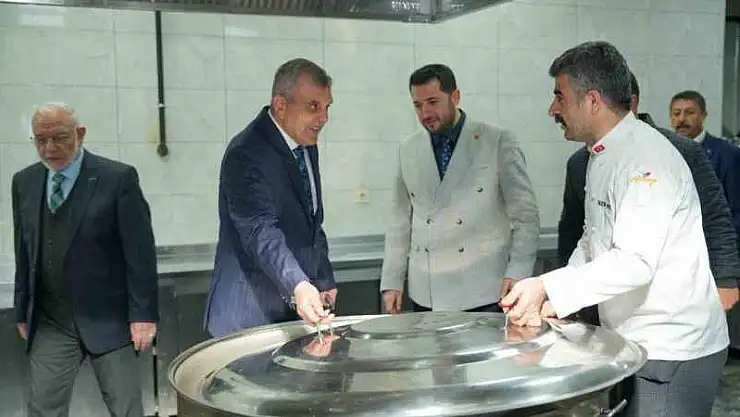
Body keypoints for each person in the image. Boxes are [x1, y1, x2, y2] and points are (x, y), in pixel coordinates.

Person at [501, 41, 729, 416]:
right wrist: (553, 300)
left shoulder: (646, 160)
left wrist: (547, 286)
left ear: (592, 100)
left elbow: (636, 262)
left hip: (672, 349)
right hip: (635, 340)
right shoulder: (603, 154)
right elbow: (594, 239)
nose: (553, 109)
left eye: (559, 97)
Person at [558, 73, 740, 327]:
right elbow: (574, 230)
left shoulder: (678, 150)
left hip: (672, 305)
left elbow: (715, 217)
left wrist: (726, 278)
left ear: (631, 103)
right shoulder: (582, 162)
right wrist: (564, 291)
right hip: (606, 295)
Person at [12, 103, 158, 417]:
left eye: (60, 138)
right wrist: (22, 308)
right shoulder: (25, 182)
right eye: (41, 140)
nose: (49, 148)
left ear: (80, 134)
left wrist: (143, 315)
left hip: (110, 320)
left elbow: (140, 253)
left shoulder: (117, 179)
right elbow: (24, 249)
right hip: (52, 321)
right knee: (42, 408)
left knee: (126, 408)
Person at [380, 63, 539, 314]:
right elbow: (399, 221)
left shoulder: (496, 141)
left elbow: (526, 217)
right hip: (427, 293)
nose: (425, 113)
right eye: (418, 105)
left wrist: (518, 272)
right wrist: (392, 281)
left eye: (433, 102)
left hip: (484, 291)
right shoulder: (408, 149)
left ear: (455, 96)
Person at [204, 58, 337, 338]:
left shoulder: (305, 145)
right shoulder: (246, 152)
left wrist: (323, 277)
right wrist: (298, 284)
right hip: (249, 316)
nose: (324, 118)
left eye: (327, 107)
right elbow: (259, 231)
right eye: (313, 107)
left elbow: (313, 221)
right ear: (280, 105)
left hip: (291, 314)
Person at [670, 90, 740, 253]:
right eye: (676, 113)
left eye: (689, 113)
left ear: (703, 116)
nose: (682, 119)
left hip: (714, 249)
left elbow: (737, 211)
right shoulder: (663, 152)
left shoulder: (727, 154)